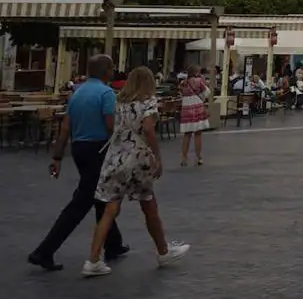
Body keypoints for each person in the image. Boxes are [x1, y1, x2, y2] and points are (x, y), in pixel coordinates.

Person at [83, 67, 189, 276]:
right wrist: (157, 156)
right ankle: (163, 251)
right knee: (149, 205)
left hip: (115, 157)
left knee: (110, 210)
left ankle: (93, 260)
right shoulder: (148, 101)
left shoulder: (119, 101)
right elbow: (148, 129)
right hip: (137, 159)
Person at [29, 54, 128, 271]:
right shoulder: (106, 93)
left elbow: (65, 127)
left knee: (100, 195)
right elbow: (110, 125)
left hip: (79, 148)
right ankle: (44, 250)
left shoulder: (77, 93)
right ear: (106, 71)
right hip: (98, 148)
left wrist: (57, 156)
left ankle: (114, 244)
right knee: (82, 201)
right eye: (112, 68)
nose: (113, 72)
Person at [178, 65, 209, 166]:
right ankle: (198, 157)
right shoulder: (199, 80)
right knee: (198, 133)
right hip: (196, 106)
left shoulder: (183, 83)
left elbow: (181, 93)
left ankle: (184, 158)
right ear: (196, 72)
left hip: (186, 108)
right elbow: (207, 92)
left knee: (187, 134)